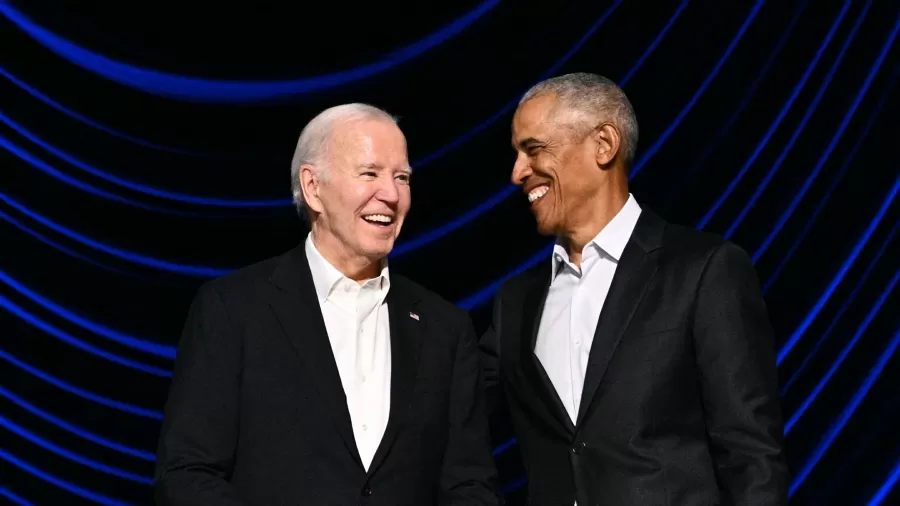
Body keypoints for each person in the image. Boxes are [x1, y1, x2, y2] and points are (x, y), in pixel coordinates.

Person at [155, 103, 499, 506]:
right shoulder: (233, 309)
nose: (391, 194)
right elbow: (186, 474)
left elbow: (471, 486)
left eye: (402, 177)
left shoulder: (446, 329)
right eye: (370, 173)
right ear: (313, 187)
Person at [480, 73, 789, 505]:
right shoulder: (515, 303)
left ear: (604, 144)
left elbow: (751, 457)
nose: (517, 172)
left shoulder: (703, 270)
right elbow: (449, 413)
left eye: (533, 149)